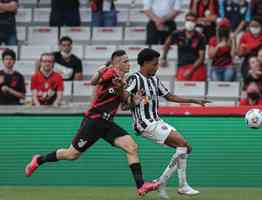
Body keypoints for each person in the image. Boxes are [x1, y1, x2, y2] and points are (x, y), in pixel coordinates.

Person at [25, 50, 160, 196]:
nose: (129, 64)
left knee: (132, 147)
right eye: (125, 61)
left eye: (128, 61)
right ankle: (39, 160)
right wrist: (98, 72)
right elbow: (94, 81)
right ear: (117, 63)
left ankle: (141, 186)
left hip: (107, 122)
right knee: (71, 155)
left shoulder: (124, 80)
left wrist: (135, 100)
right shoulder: (110, 73)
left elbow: (124, 105)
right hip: (94, 120)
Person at [125, 48, 210, 199]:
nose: (157, 67)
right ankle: (180, 185)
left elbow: (169, 96)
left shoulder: (154, 79)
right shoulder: (135, 79)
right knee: (182, 144)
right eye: (154, 64)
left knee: (185, 148)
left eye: (157, 64)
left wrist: (193, 100)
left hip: (156, 121)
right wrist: (132, 100)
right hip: (144, 123)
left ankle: (163, 183)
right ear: (144, 63)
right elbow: (124, 103)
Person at [161, 12, 207, 81]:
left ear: (196, 22)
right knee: (181, 89)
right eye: (188, 20)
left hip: (196, 68)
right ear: (185, 21)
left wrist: (191, 70)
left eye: (192, 20)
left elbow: (201, 57)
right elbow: (167, 43)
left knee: (197, 90)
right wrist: (164, 57)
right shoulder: (178, 34)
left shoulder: (200, 37)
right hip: (182, 66)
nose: (190, 22)